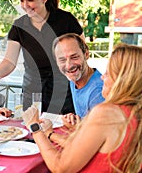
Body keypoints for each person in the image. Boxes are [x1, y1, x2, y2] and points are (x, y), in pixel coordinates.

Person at [22, 43, 142, 172]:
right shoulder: (133, 113)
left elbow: (60, 167)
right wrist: (72, 131)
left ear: (123, 80)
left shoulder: (107, 113)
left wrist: (35, 127)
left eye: (108, 73)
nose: (102, 77)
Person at [0, 0, 84, 114]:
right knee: (33, 130)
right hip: (32, 90)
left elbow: (82, 54)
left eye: (30, 0)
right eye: (22, 1)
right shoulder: (19, 26)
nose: (25, 5)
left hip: (63, 91)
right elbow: (9, 61)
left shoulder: (66, 20)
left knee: (62, 130)